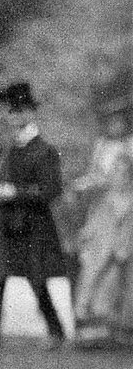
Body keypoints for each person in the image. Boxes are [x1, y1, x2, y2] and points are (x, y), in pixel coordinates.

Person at [0, 80, 69, 350]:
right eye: (11, 111)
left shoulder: (45, 150)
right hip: (6, 222)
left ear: (30, 113)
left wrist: (14, 192)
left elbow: (51, 190)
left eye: (18, 110)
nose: (12, 116)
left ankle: (56, 331)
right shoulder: (13, 147)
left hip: (32, 223)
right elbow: (5, 182)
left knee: (37, 280)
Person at [69, 92, 133, 349]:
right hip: (101, 210)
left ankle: (119, 328)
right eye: (109, 121)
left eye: (118, 121)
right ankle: (90, 328)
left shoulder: (130, 145)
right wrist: (85, 185)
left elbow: (123, 178)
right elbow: (95, 175)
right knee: (93, 267)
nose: (113, 125)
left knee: (119, 269)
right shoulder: (101, 146)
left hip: (124, 208)